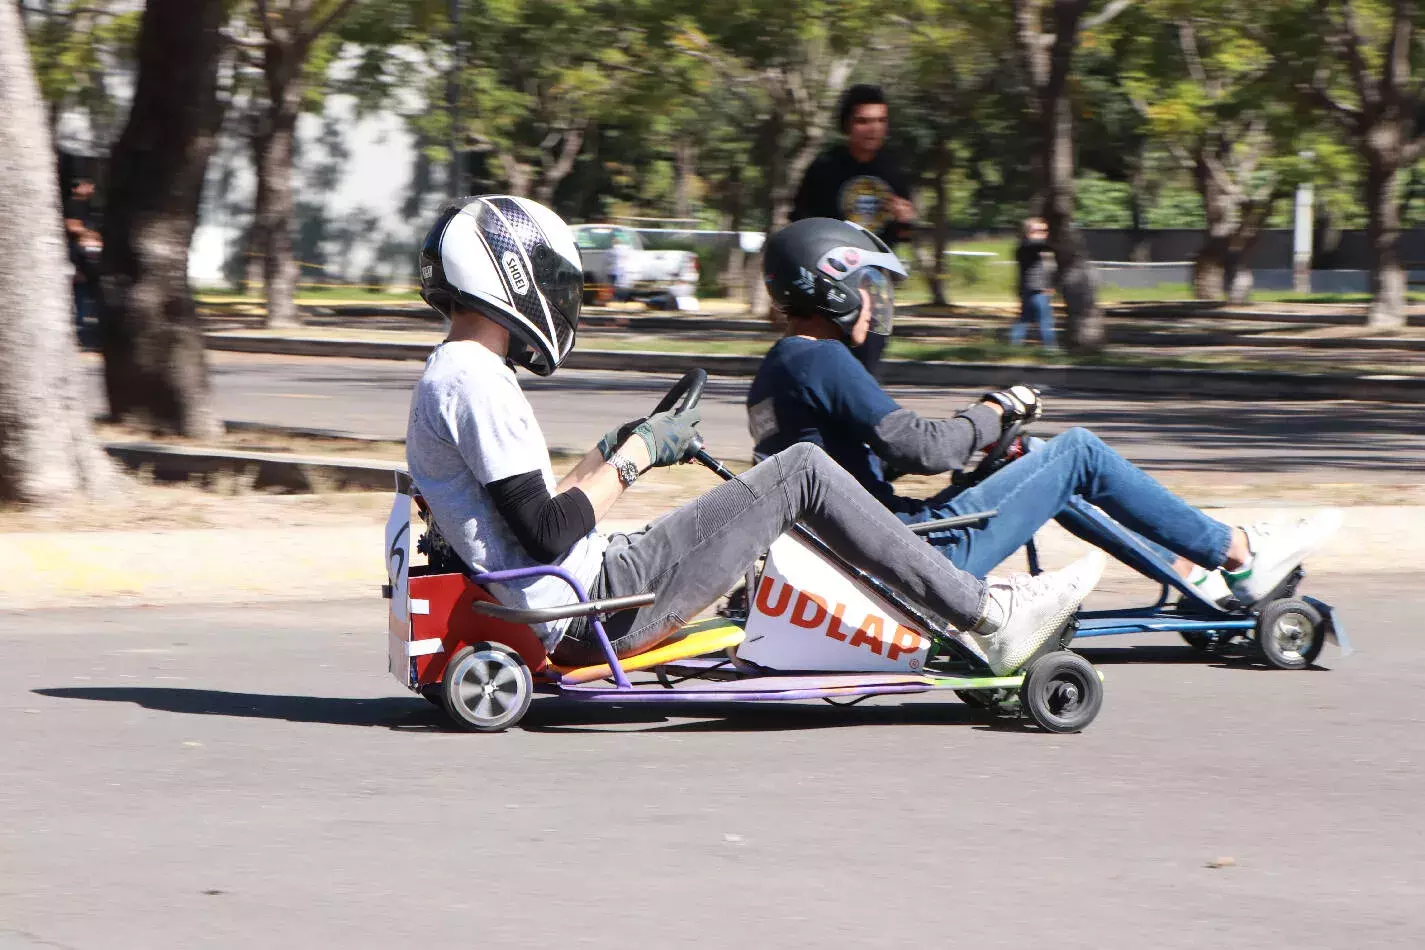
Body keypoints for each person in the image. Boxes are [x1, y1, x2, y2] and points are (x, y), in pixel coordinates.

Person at [405, 195, 1105, 678]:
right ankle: (984, 613)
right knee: (801, 469)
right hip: (590, 607)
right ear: (509, 274)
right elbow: (547, 532)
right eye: (555, 281)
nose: (561, 299)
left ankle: (967, 606)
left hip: (575, 590)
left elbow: (532, 510)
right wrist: (640, 457)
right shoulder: (474, 378)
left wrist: (615, 446)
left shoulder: (459, 371)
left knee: (794, 472)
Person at [746, 217, 1341, 605]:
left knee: (1027, 456)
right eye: (868, 283)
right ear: (832, 286)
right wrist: (993, 409)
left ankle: (1188, 571)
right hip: (912, 556)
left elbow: (847, 473)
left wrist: (989, 442)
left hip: (859, 548)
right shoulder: (821, 359)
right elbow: (922, 448)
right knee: (1078, 449)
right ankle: (1236, 551)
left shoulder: (778, 371)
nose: (876, 300)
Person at [791, 83, 915, 373]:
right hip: (828, 281)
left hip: (874, 283)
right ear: (847, 125)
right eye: (864, 121)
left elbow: (901, 237)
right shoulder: (825, 168)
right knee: (822, 366)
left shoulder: (893, 169)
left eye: (881, 121)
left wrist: (906, 221)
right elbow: (799, 224)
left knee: (866, 369)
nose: (874, 129)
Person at [64, 177, 102, 333]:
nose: (91, 188)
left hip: (85, 252)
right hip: (76, 252)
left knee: (84, 285)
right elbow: (72, 226)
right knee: (78, 283)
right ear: (75, 189)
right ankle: (77, 319)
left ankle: (80, 318)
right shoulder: (74, 204)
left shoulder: (86, 206)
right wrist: (93, 234)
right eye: (86, 185)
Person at [1011, 217, 1056, 349]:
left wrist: (1050, 286)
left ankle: (1014, 346)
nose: (1042, 233)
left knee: (1025, 319)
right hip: (1035, 289)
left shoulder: (1041, 249)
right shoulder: (1026, 246)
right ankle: (1050, 349)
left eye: (1045, 230)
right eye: (1037, 230)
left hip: (1040, 289)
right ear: (1027, 232)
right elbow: (1040, 245)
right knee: (1045, 320)